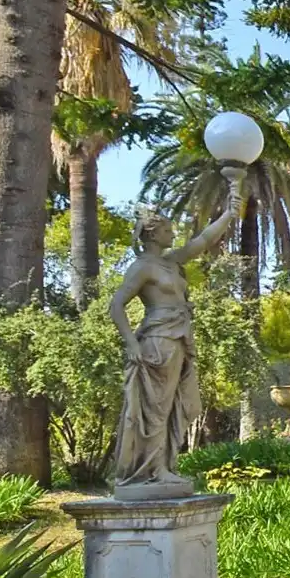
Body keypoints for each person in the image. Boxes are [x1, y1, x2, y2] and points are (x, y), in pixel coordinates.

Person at [108, 171, 246, 496]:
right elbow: (116, 305)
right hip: (158, 341)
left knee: (169, 406)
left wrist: (229, 212)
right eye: (169, 229)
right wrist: (131, 344)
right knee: (156, 407)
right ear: (153, 234)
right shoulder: (142, 267)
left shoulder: (170, 262)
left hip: (178, 338)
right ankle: (152, 472)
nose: (174, 233)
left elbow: (204, 241)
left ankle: (164, 468)